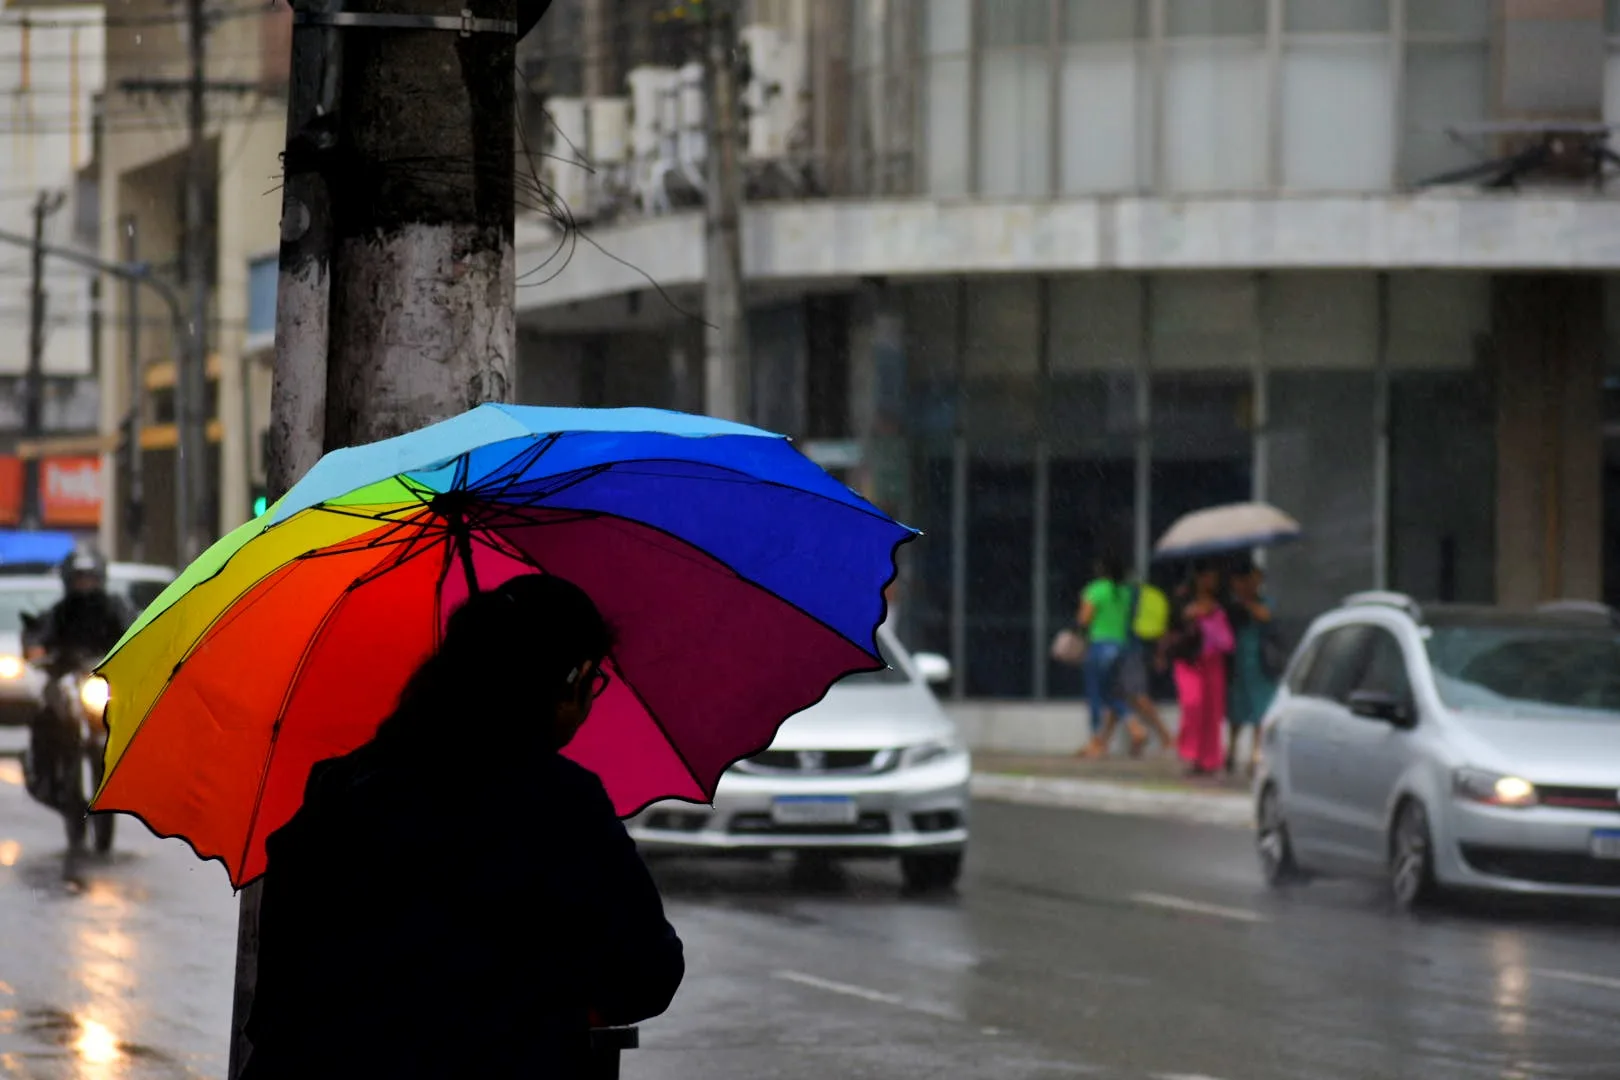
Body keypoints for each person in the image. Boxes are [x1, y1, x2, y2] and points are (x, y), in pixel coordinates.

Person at [241, 573, 685, 1080]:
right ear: (574, 678)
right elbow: (648, 974)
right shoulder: (561, 804)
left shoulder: (342, 790)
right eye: (593, 683)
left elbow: (279, 991)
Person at [20, 548, 132, 859]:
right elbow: (38, 635)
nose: (85, 585)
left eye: (90, 578)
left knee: (137, 718)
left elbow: (133, 630)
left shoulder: (114, 608)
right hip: (69, 682)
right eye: (80, 578)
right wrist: (36, 650)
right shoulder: (60, 612)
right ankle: (44, 767)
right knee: (46, 715)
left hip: (103, 681)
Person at [1171, 561, 1235, 778]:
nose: (1212, 582)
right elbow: (1172, 625)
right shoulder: (1182, 598)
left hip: (1213, 661)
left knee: (1212, 709)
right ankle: (1190, 752)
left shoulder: (1222, 601)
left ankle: (1209, 759)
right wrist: (1190, 614)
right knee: (1193, 703)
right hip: (1190, 660)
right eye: (1208, 577)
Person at [1076, 552, 1135, 759]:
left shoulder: (1095, 590)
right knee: (1111, 693)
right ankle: (1134, 726)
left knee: (1096, 695)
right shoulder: (1125, 592)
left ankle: (1095, 741)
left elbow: (1084, 619)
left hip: (1100, 645)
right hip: (1120, 646)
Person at [1225, 559, 1280, 778]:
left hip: (1260, 663)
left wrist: (1248, 603)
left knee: (1261, 708)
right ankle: (1231, 750)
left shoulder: (1264, 602)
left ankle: (1256, 753)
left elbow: (1266, 616)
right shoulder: (1230, 605)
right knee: (1237, 710)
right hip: (1237, 664)